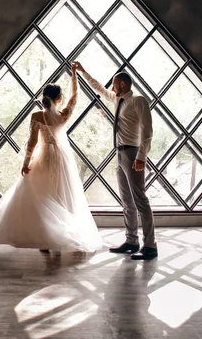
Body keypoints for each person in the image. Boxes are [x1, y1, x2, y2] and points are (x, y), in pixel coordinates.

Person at [0, 62, 103, 253]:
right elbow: (74, 98)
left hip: (43, 155)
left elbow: (32, 142)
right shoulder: (63, 115)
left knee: (42, 195)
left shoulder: (36, 116)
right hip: (60, 157)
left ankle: (45, 240)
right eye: (61, 97)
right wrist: (74, 76)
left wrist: (26, 163)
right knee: (61, 195)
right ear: (58, 99)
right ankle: (59, 237)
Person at [74, 61, 157, 260]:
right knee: (127, 201)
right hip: (119, 153)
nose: (112, 87)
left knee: (140, 200)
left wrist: (141, 157)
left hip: (133, 153)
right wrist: (83, 72)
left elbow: (148, 132)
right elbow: (99, 88)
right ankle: (131, 241)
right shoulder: (117, 99)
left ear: (122, 84)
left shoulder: (139, 100)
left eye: (114, 84)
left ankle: (150, 246)